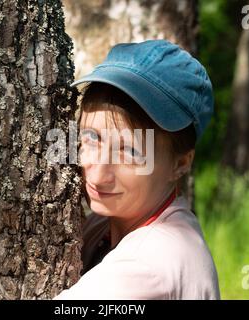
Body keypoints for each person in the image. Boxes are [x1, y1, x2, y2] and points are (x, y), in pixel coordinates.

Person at [54, 40, 220, 300]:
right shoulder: (110, 223)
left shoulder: (150, 264)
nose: (97, 177)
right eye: (91, 138)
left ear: (180, 164)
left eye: (130, 152)